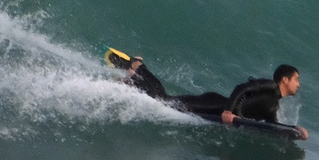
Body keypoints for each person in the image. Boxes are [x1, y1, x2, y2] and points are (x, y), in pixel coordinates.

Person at [120, 56, 308, 140]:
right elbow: (242, 87)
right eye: (296, 79)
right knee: (165, 102)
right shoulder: (270, 86)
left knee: (167, 101)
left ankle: (132, 81)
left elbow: (271, 124)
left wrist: (294, 129)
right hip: (214, 104)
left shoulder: (272, 105)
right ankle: (138, 67)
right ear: (285, 79)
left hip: (217, 108)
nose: (298, 84)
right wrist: (228, 111)